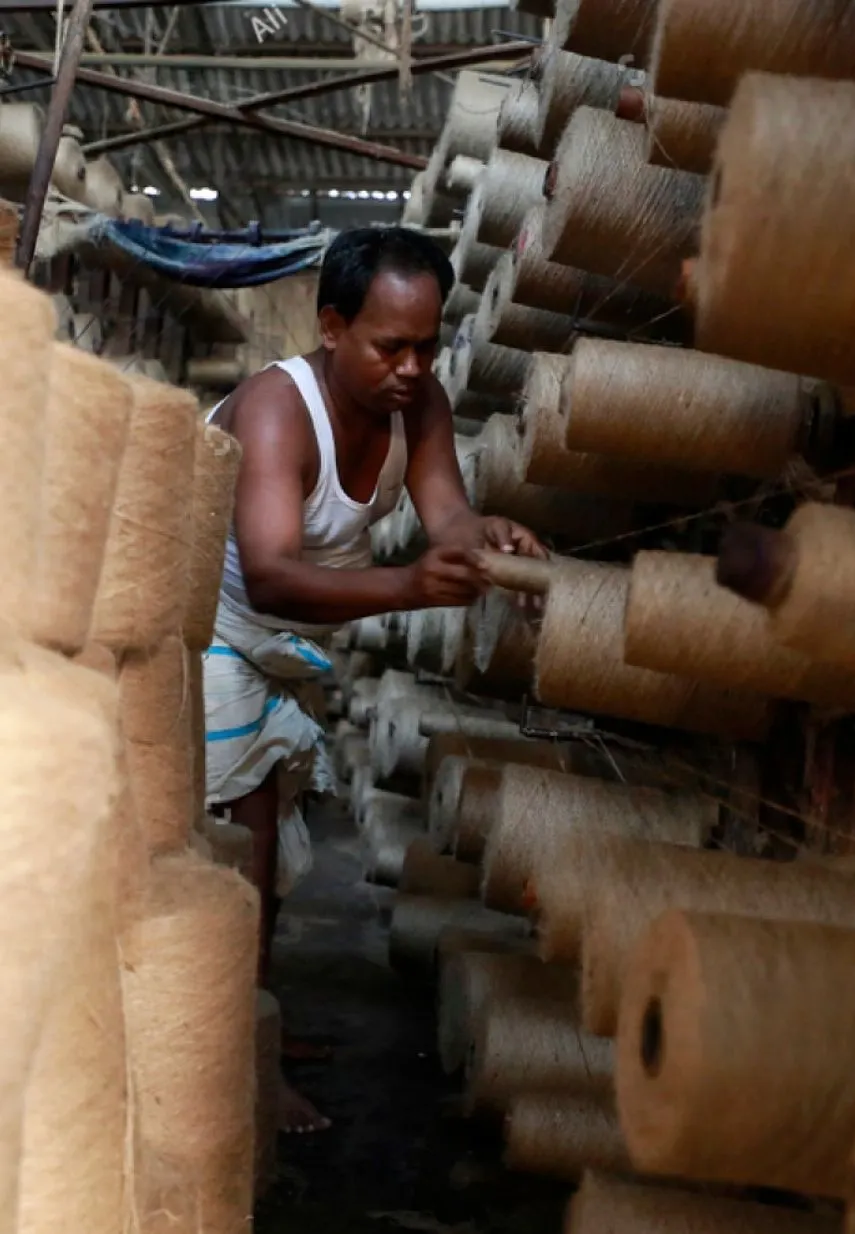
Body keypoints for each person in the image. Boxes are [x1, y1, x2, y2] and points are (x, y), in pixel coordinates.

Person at [202, 226, 546, 1134]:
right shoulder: (279, 410)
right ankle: (240, 1063)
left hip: (282, 639)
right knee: (245, 841)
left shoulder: (417, 406)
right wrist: (405, 587)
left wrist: (491, 537)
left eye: (427, 345)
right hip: (210, 626)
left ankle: (249, 1019)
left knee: (266, 832)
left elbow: (448, 519)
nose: (411, 366)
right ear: (329, 327)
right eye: (389, 345)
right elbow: (271, 572)